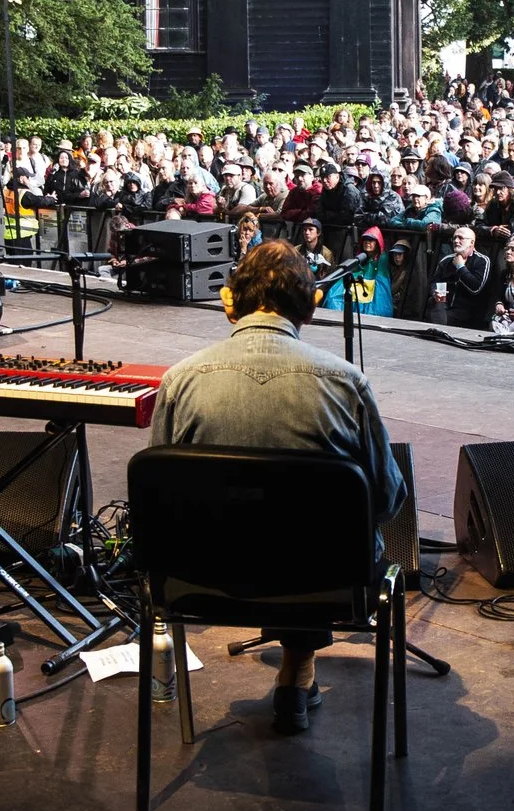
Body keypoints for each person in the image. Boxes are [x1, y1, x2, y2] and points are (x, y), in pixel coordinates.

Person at [147, 240, 405, 734]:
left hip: (199, 579)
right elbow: (387, 499)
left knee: (264, 525)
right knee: (306, 533)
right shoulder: (345, 382)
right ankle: (296, 670)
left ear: (233, 301)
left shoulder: (179, 380)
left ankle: (295, 672)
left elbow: (162, 500)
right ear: (309, 306)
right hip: (324, 582)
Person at [440, 225, 492, 328]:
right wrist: (437, 294)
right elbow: (436, 281)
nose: (456, 241)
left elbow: (475, 288)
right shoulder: (446, 260)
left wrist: (460, 267)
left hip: (468, 314)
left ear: (472, 243)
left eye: (460, 238)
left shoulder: (482, 261)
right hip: (444, 308)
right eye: (454, 238)